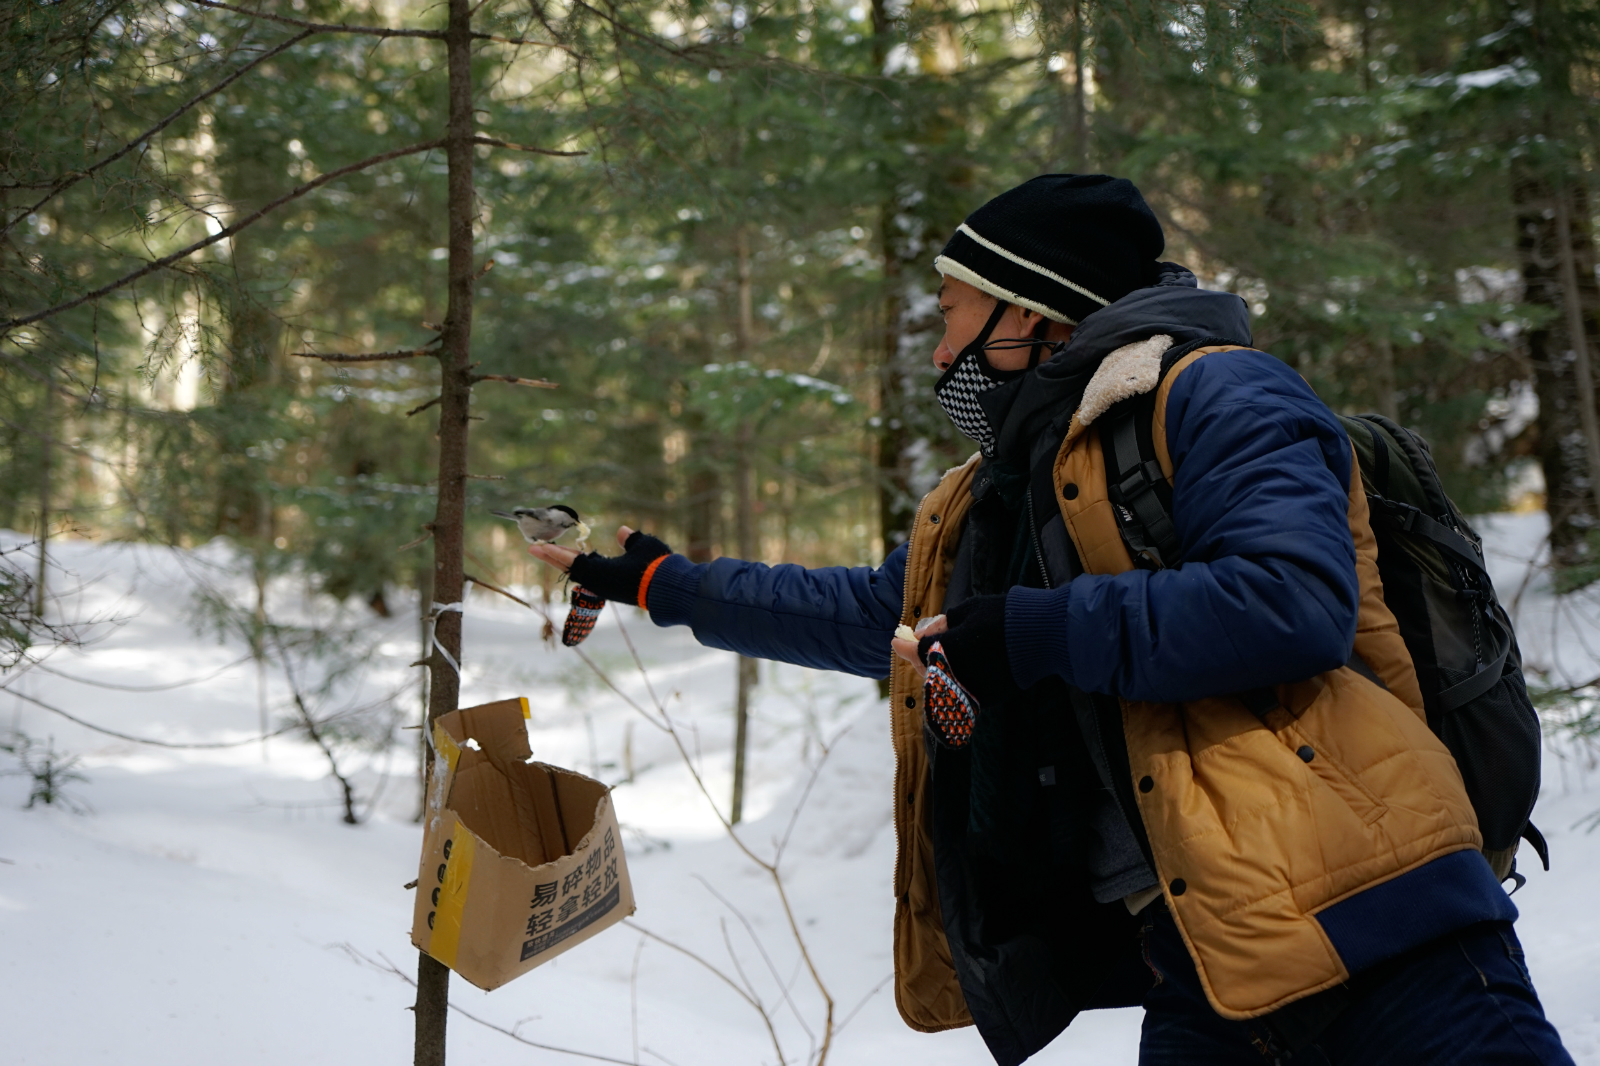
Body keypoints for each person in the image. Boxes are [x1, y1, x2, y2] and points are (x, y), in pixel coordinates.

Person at [528, 174, 1573, 1066]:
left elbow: (1288, 604)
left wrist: (1031, 630)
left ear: (1034, 312)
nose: (940, 356)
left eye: (951, 314)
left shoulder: (1222, 396)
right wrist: (662, 583)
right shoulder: (996, 493)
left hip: (1386, 934)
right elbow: (870, 617)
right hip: (1204, 967)